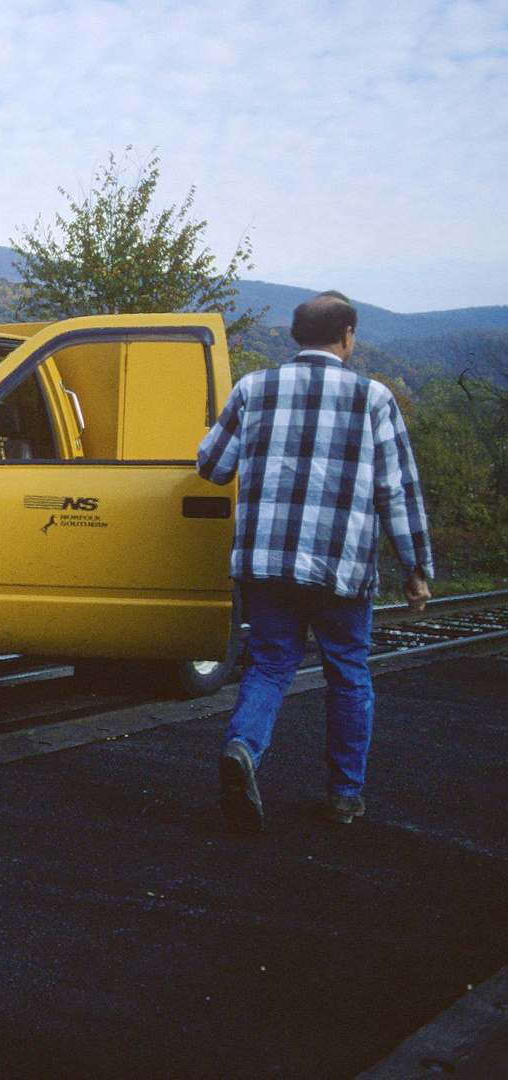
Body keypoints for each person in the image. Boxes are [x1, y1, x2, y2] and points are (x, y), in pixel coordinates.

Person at [197, 292, 433, 832]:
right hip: (341, 567)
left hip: (267, 562)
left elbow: (211, 465)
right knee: (348, 672)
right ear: (347, 335)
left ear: (295, 337)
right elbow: (396, 492)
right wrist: (414, 568)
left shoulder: (254, 388)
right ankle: (345, 796)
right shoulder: (374, 397)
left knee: (270, 664)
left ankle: (243, 748)